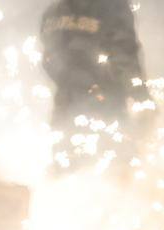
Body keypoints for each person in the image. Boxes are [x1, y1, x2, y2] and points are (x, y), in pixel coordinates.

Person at [40, 0, 152, 168]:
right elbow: (123, 54)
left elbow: (49, 59)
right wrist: (141, 97)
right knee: (114, 170)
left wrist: (73, 81)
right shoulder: (112, 6)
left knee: (67, 167)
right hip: (106, 107)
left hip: (65, 108)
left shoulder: (55, 10)